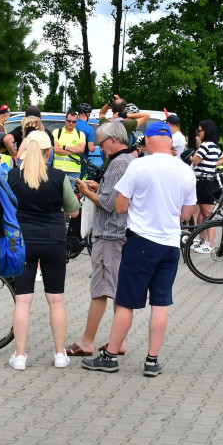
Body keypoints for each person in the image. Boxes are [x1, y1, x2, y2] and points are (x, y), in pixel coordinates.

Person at [82, 122, 196, 376]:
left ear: (150, 139)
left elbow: (120, 206)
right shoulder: (186, 171)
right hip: (169, 244)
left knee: (126, 302)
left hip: (142, 242)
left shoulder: (140, 165)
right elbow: (187, 214)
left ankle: (110, 356)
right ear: (169, 142)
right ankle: (152, 361)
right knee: (160, 304)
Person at [6, 131, 80, 370]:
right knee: (56, 299)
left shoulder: (13, 176)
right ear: (49, 153)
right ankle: (60, 354)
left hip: (23, 242)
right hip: (53, 241)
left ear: (25, 150)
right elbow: (73, 210)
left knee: (23, 300)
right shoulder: (60, 177)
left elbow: (5, 208)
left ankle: (19, 356)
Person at [66, 121, 138, 358]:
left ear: (114, 141)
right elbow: (114, 194)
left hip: (109, 235)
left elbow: (107, 204)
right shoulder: (130, 160)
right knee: (118, 290)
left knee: (100, 290)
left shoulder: (117, 164)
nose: (99, 146)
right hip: (122, 234)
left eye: (102, 141)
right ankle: (119, 341)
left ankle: (87, 341)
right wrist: (100, 186)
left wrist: (87, 193)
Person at [190, 119, 223, 252]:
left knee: (209, 214)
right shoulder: (214, 146)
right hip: (206, 181)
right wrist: (212, 164)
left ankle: (210, 245)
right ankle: (202, 240)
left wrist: (197, 148)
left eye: (199, 130)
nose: (198, 133)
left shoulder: (205, 145)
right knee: (204, 213)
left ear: (206, 131)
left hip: (203, 182)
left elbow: (195, 161)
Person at [52, 111, 87, 179]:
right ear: (65, 120)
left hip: (74, 170)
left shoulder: (80, 134)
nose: (71, 123)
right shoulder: (56, 132)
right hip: (58, 169)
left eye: (74, 121)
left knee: (71, 190)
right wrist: (74, 150)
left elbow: (81, 150)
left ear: (76, 122)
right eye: (69, 121)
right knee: (58, 190)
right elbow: (56, 149)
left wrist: (65, 147)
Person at [75, 103, 101, 175]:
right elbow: (91, 148)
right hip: (81, 160)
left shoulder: (71, 124)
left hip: (68, 159)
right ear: (88, 114)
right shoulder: (88, 129)